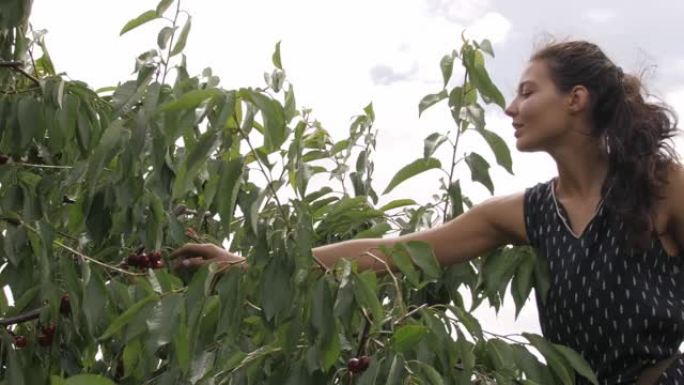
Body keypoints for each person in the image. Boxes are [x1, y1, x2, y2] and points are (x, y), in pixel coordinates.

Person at [171, 41, 684, 385]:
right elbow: (394, 253)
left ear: (576, 99)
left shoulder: (663, 186)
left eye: (528, 91)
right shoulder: (526, 213)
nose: (509, 107)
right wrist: (249, 268)